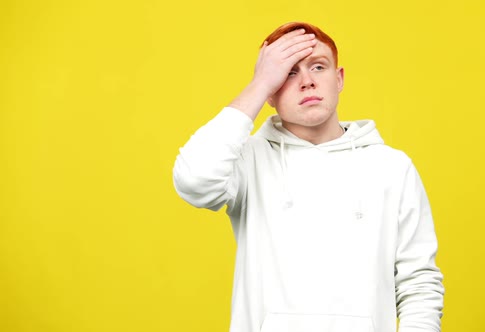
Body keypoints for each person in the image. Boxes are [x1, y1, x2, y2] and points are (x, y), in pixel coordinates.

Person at [173, 22, 444, 332]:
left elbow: (420, 285)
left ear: (339, 79)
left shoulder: (392, 167)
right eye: (288, 71)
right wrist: (259, 84)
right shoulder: (247, 161)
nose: (307, 82)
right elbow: (194, 181)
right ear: (271, 92)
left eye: (318, 67)